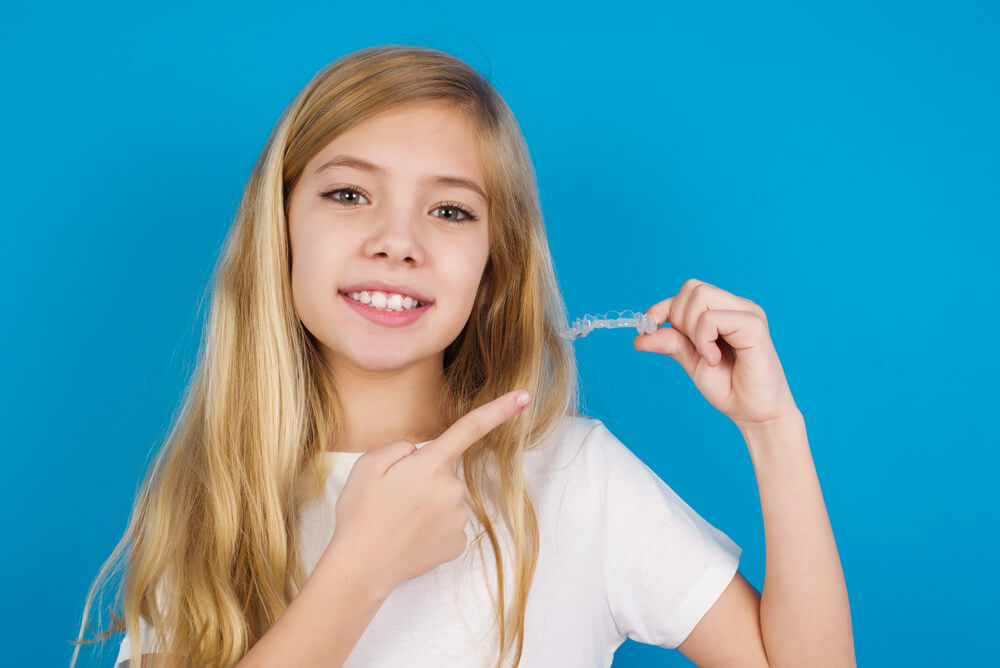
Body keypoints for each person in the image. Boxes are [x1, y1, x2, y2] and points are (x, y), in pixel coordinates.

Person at [70, 44, 855, 668]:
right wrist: (363, 566)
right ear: (281, 230)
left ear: (492, 269)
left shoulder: (575, 479)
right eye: (349, 194)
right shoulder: (213, 502)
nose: (397, 242)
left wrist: (772, 428)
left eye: (449, 211)